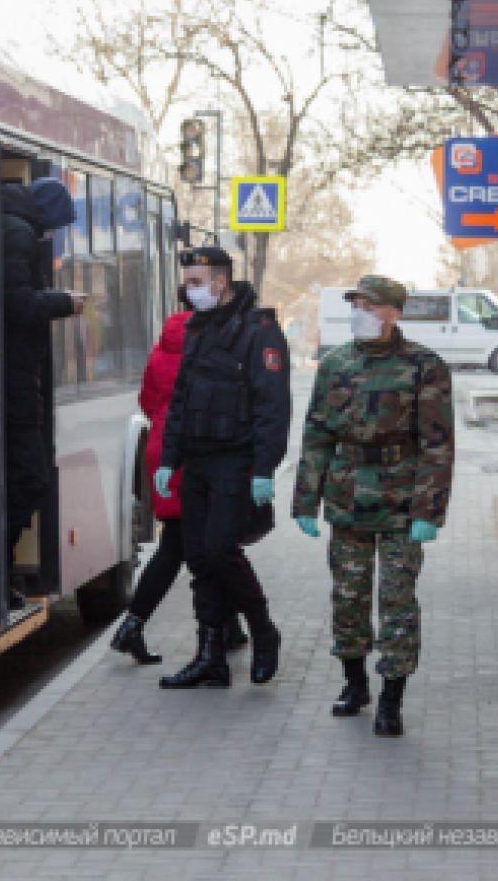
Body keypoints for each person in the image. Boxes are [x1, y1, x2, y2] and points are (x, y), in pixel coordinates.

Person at [291, 275, 454, 737]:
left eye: (369, 306)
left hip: (403, 499)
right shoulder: (335, 364)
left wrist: (429, 512)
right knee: (349, 595)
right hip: (347, 498)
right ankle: (355, 684)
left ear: (393, 314)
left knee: (398, 601)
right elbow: (317, 435)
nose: (360, 312)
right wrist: (306, 500)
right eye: (356, 304)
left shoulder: (425, 366)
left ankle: (392, 699)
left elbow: (438, 446)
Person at [154, 246, 290, 688]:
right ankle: (210, 656)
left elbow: (273, 406)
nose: (188, 291)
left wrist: (265, 469)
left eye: (195, 282)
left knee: (219, 551)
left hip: (236, 460)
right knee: (197, 558)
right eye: (187, 283)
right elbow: (180, 401)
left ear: (220, 282)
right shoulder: (197, 327)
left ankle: (263, 630)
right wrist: (169, 458)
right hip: (197, 462)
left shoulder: (259, 331)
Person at [110, 276, 251, 664]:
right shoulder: (217, 340)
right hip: (198, 451)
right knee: (195, 546)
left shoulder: (164, 345)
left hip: (163, 450)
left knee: (195, 544)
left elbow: (147, 400)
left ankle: (226, 627)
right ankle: (137, 625)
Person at [2, 178, 85, 608]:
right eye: (57, 226)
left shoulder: (12, 227)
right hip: (17, 383)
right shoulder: (18, 234)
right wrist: (64, 302)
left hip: (18, 379)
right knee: (32, 481)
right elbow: (17, 302)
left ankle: (4, 573)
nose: (55, 237)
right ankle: (3, 571)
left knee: (24, 480)